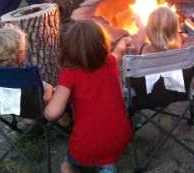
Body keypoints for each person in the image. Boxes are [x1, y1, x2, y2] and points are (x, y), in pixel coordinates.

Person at [44, 20, 133, 173]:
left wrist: (47, 100)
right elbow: (118, 51)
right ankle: (107, 167)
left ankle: (100, 165)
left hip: (87, 146)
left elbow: (52, 114)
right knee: (106, 154)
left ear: (69, 49)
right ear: (102, 44)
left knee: (66, 167)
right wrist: (125, 40)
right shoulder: (111, 62)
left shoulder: (69, 75)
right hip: (120, 138)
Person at [0, 25, 54, 102]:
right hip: (29, 109)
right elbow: (46, 94)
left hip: (5, 106)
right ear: (18, 55)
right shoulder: (26, 76)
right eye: (24, 49)